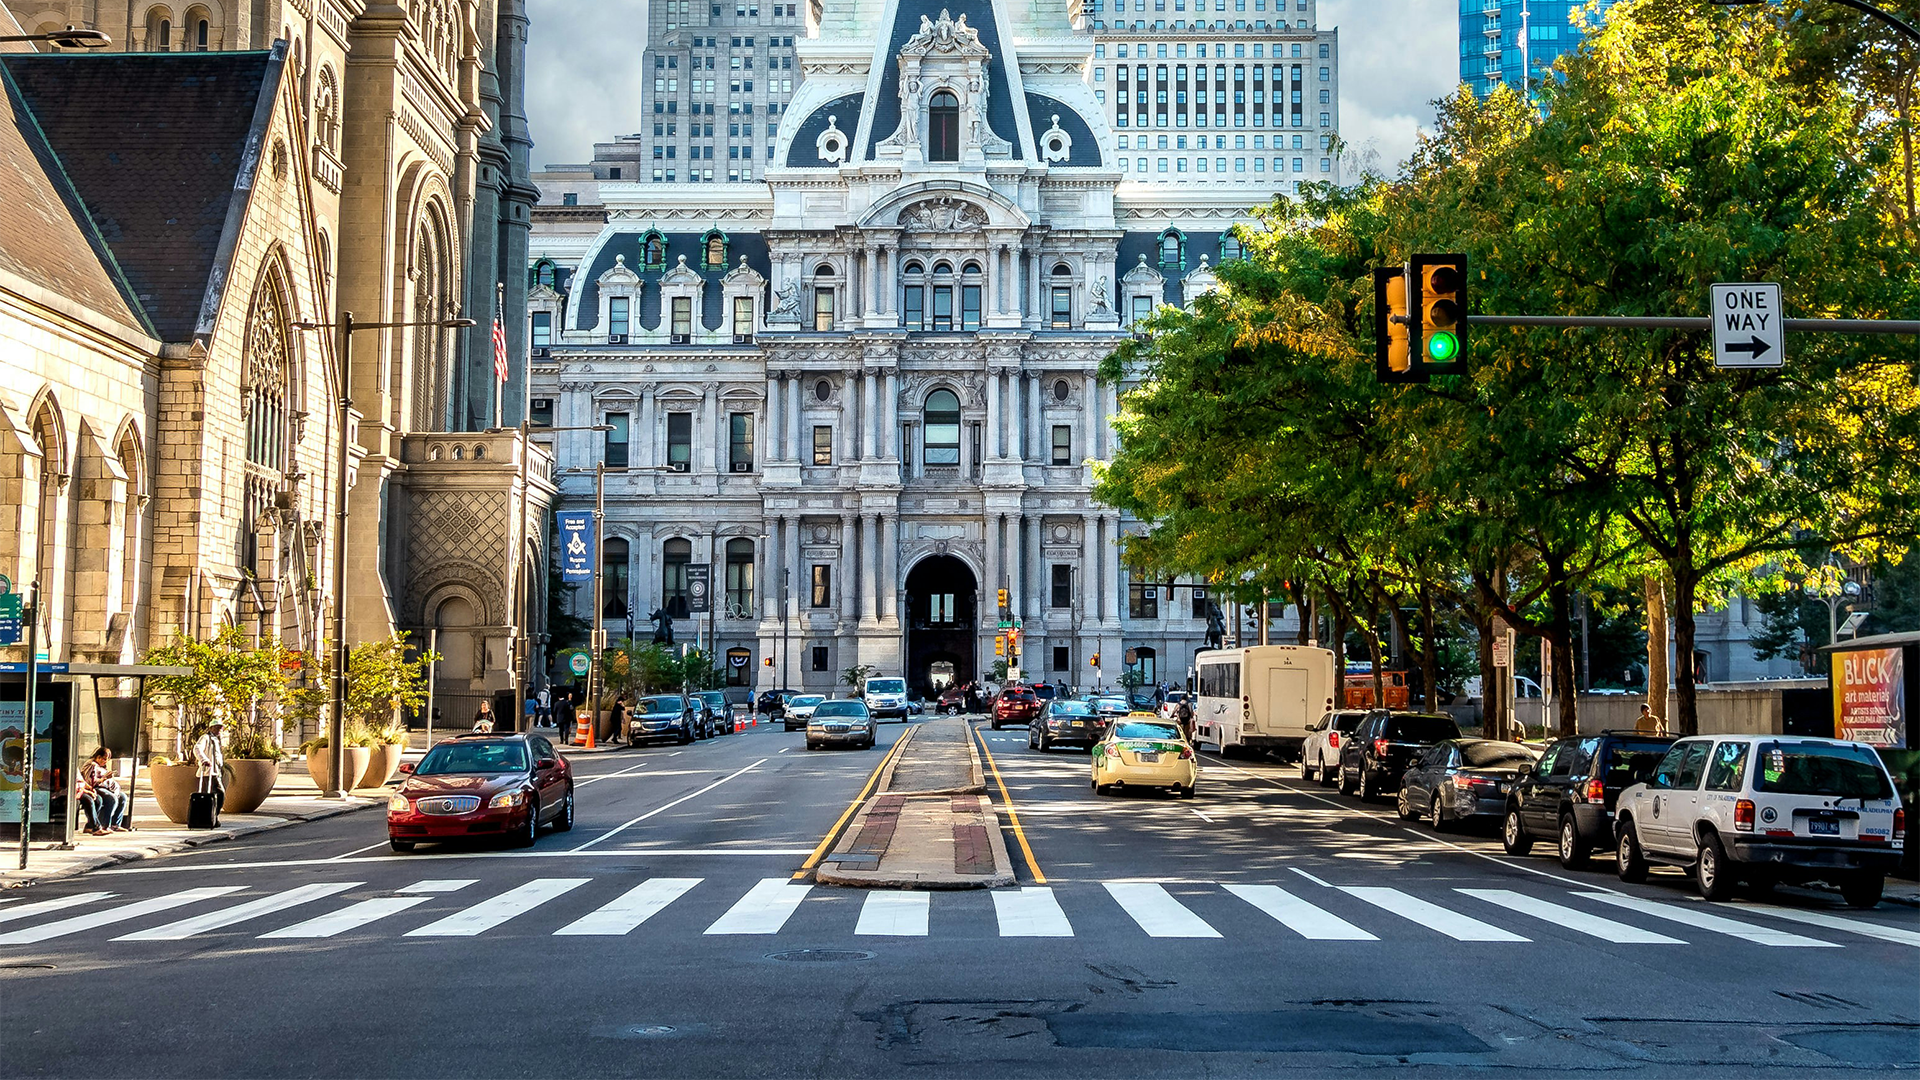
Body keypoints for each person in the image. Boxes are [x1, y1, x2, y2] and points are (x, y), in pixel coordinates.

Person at [193, 717, 227, 806]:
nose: (219, 730)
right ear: (211, 728)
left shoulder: (216, 739)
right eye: (216, 727)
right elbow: (197, 748)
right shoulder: (205, 737)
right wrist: (204, 760)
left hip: (216, 772)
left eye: (220, 728)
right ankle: (211, 816)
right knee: (217, 793)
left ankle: (214, 815)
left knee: (217, 795)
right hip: (209, 772)